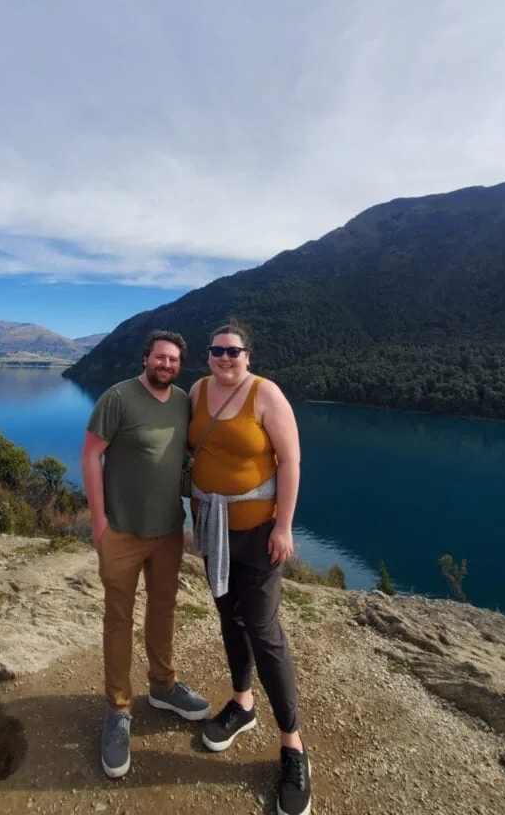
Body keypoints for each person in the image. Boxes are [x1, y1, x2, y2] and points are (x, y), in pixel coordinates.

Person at [189, 321, 311, 815]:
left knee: (263, 629)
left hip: (259, 533)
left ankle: (293, 745)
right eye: (217, 350)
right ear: (209, 354)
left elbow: (291, 461)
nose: (224, 358)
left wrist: (283, 526)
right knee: (229, 618)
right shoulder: (197, 390)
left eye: (233, 351)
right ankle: (242, 703)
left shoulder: (266, 394)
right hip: (212, 530)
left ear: (247, 355)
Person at [82, 329, 210, 779]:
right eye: (160, 357)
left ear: (179, 365)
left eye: (174, 360)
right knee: (118, 618)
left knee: (164, 610)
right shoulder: (117, 398)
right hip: (121, 531)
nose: (166, 364)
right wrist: (99, 522)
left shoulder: (182, 403)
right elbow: (91, 455)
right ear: (146, 359)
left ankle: (163, 685)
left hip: (169, 532)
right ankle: (118, 708)